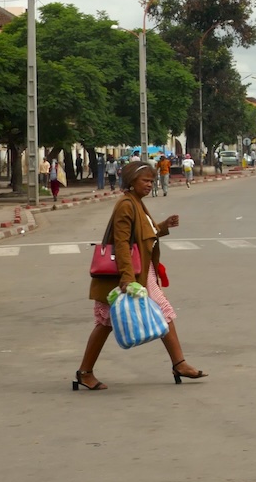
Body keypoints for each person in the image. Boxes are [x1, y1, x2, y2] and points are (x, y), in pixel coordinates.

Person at [72, 161, 207, 390]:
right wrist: (127, 279)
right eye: (145, 181)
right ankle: (85, 372)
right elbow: (122, 243)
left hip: (142, 272)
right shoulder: (126, 204)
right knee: (106, 323)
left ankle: (179, 363)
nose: (149, 185)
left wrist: (164, 226)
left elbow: (147, 233)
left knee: (162, 313)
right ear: (131, 181)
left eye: (152, 181)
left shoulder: (137, 203)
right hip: (127, 275)